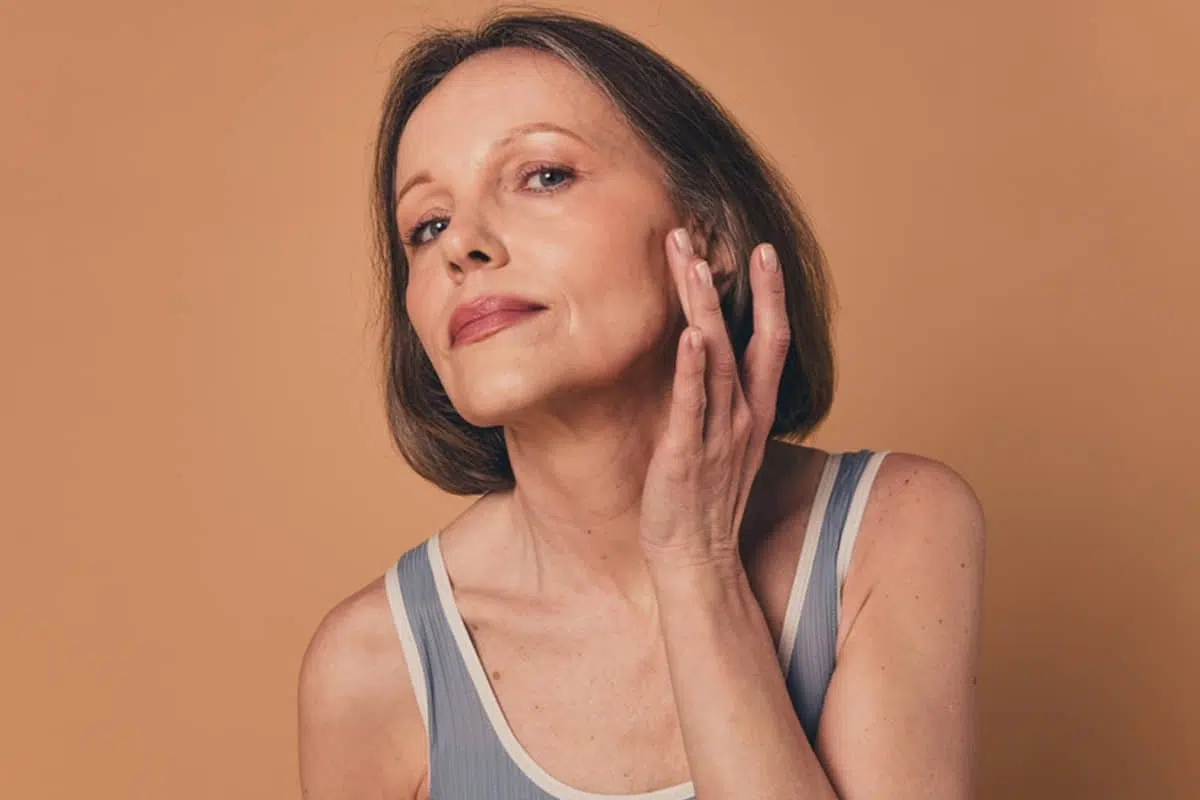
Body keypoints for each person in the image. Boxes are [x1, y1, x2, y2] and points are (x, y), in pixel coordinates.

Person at [298, 7, 986, 799]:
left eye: (543, 175)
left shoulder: (894, 527)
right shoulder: (370, 669)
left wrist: (696, 566)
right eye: (427, 225)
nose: (462, 245)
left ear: (709, 235)